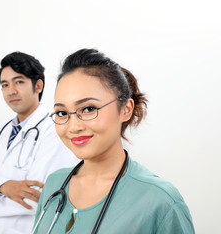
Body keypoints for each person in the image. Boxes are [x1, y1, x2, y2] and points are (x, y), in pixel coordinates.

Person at [32, 49, 195, 234]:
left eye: (88, 108)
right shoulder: (54, 184)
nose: (73, 126)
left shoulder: (160, 201)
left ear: (126, 109)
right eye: (62, 113)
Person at [0, 51, 75, 234]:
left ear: (39, 85)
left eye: (19, 82)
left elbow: (39, 196)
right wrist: (4, 187)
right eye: (5, 85)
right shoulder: (2, 131)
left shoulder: (53, 130)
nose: (11, 91)